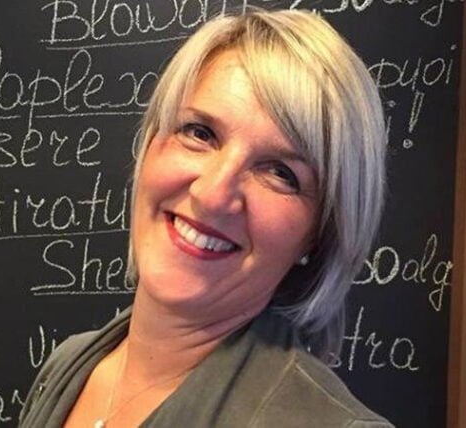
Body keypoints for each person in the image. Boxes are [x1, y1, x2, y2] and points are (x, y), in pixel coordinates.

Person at [20, 8, 391, 428]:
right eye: (200, 133)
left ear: (318, 234)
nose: (212, 194)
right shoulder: (68, 366)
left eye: (280, 172)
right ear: (151, 142)